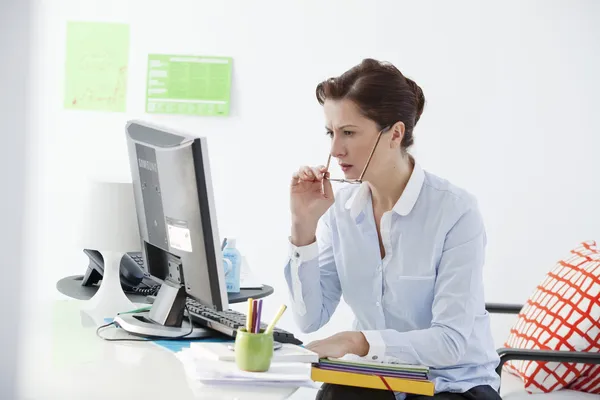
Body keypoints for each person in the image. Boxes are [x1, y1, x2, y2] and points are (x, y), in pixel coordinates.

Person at [284, 59, 502, 400]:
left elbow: (450, 342)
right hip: (379, 377)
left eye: (349, 132)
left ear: (395, 134)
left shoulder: (455, 211)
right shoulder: (341, 211)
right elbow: (310, 318)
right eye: (331, 132)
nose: (334, 150)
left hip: (454, 382)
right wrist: (303, 227)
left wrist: (357, 341)